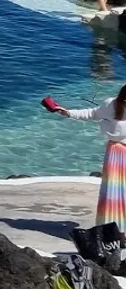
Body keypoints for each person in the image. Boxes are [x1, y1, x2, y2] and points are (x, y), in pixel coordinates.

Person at [47, 85, 126, 229]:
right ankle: (115, 229)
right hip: (116, 152)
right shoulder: (110, 104)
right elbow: (92, 113)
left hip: (118, 151)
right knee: (114, 192)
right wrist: (68, 113)